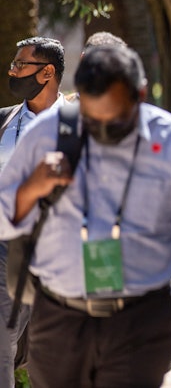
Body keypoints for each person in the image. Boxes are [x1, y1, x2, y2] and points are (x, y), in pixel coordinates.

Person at [0, 46, 171, 387]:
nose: (103, 129)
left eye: (115, 117)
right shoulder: (46, 134)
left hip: (141, 321)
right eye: (91, 118)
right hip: (58, 319)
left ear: (139, 94)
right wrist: (30, 188)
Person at [0, 37, 66, 385]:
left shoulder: (79, 121)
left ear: (47, 72)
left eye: (20, 65)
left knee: (57, 349)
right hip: (6, 249)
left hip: (62, 251)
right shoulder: (4, 122)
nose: (12, 71)